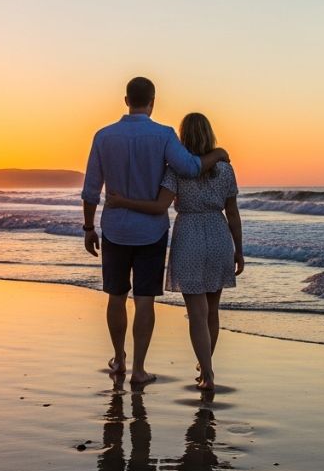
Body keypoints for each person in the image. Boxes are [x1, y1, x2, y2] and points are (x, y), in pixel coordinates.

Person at [81, 77, 229, 386]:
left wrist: (88, 227)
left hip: (115, 228)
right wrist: (216, 154)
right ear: (153, 101)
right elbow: (189, 168)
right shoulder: (163, 135)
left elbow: (91, 189)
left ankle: (119, 357)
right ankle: (139, 369)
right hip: (150, 231)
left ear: (126, 100)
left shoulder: (103, 136)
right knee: (144, 299)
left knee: (116, 295)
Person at [106, 113, 243, 392]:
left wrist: (122, 202)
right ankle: (206, 366)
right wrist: (238, 249)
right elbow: (232, 212)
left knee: (197, 312)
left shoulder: (175, 170)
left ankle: (207, 372)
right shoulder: (226, 170)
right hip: (218, 233)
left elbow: (159, 207)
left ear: (183, 137)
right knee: (212, 309)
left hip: (189, 233)